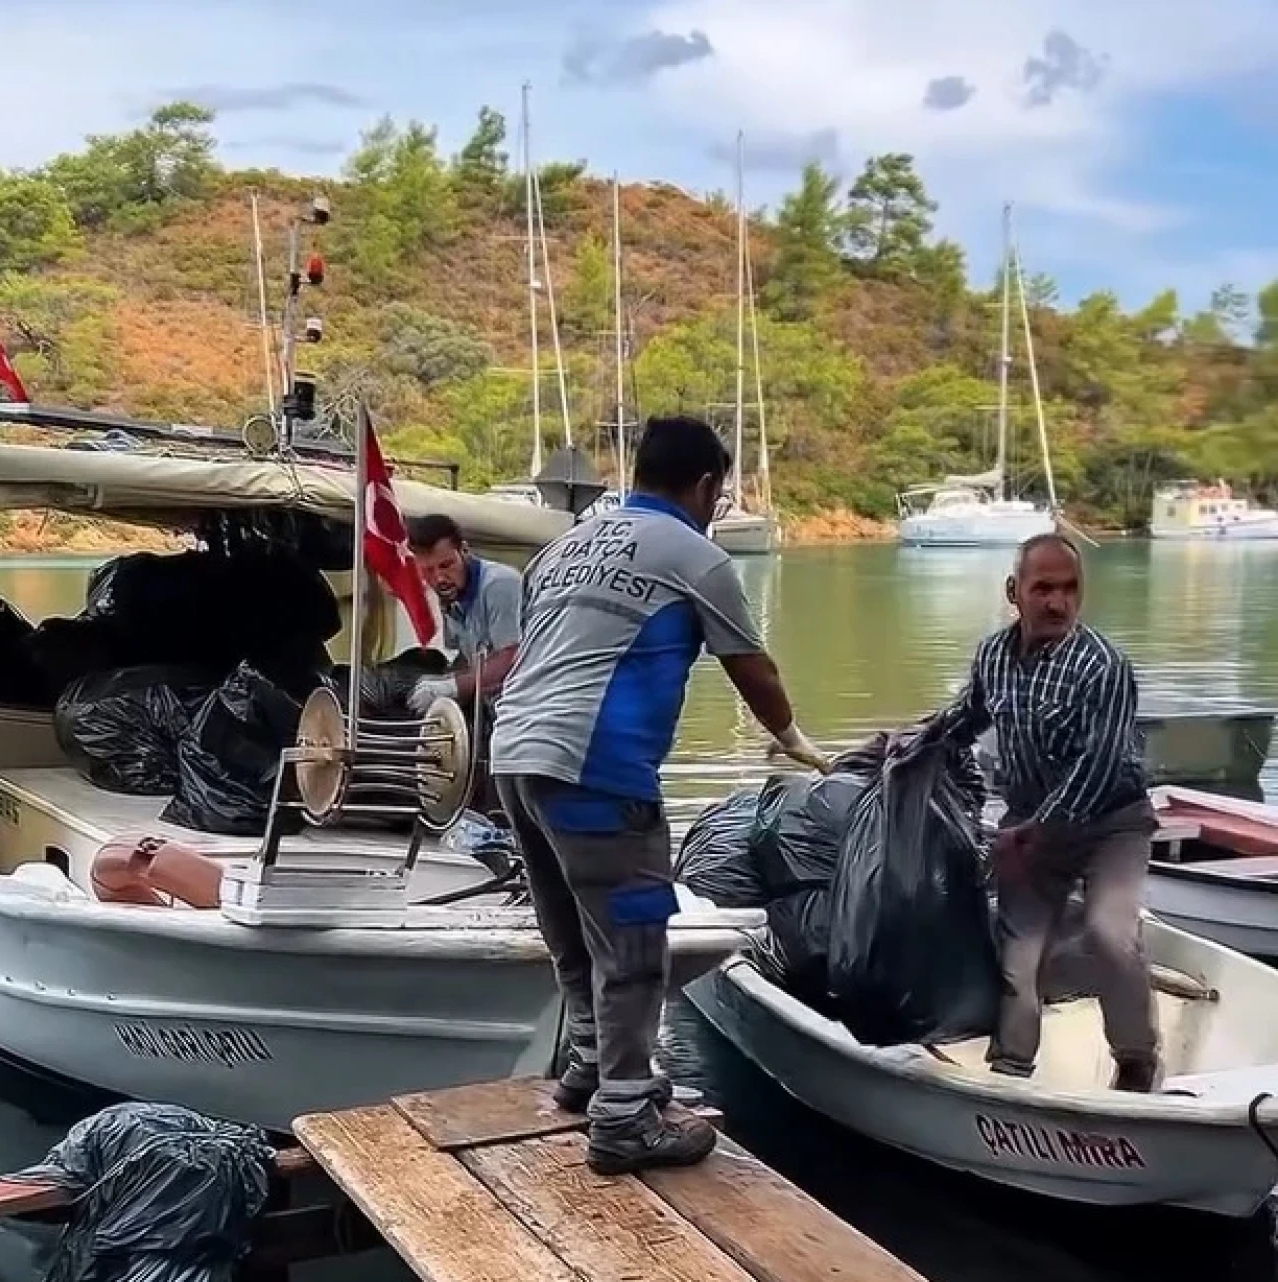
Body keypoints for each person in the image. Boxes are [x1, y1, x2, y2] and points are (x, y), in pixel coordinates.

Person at [491, 415, 828, 1174]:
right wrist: (794, 739)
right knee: (636, 946)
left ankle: (589, 1069)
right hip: (598, 778)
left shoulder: (561, 547)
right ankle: (625, 1115)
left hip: (513, 762)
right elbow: (753, 668)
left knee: (574, 937)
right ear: (706, 485)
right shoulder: (695, 554)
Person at [912, 531, 1160, 1092]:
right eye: (1043, 588)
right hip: (1030, 825)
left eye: (1069, 589)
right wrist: (912, 746)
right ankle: (1011, 1071)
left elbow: (1097, 769)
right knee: (1018, 958)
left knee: (1109, 932)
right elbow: (965, 717)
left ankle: (1137, 1058)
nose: (1057, 602)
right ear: (1013, 591)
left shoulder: (1105, 667)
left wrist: (1031, 835)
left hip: (1111, 825)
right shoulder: (993, 655)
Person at [407, 514, 523, 709]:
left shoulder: (499, 585)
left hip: (523, 709)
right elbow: (464, 657)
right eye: (427, 571)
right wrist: (442, 679)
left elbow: (510, 658)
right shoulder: (451, 598)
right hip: (490, 709)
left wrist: (452, 687)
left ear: (464, 551)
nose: (439, 578)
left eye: (446, 565)